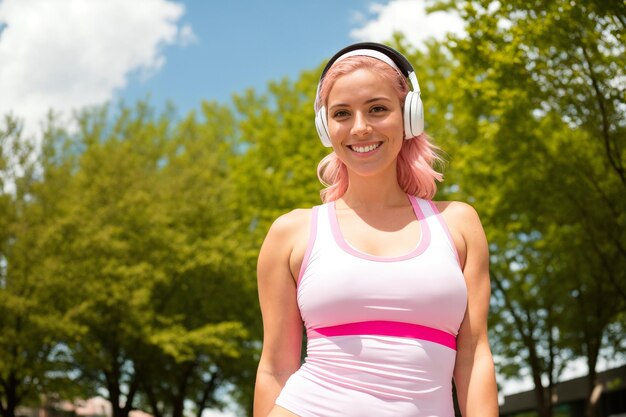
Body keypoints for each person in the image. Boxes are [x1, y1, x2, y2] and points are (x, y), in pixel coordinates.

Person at [254, 42, 498, 417]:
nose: (360, 128)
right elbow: (275, 368)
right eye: (341, 114)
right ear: (326, 128)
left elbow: (474, 354)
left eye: (378, 109)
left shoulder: (458, 224)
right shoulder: (291, 233)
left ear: (409, 116)